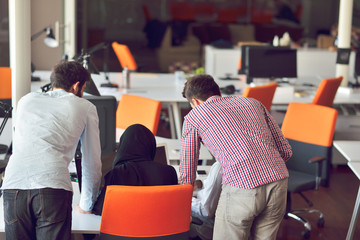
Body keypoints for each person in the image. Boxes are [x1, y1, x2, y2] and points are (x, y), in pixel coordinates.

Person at [179, 74, 292, 240]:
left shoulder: (194, 117)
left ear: (195, 102)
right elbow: (285, 150)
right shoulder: (252, 102)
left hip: (242, 185)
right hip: (278, 182)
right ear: (218, 92)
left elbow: (188, 171)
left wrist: (182, 207)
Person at [1, 60, 102, 240]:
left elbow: (22, 144)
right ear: (76, 86)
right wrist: (86, 205)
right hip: (52, 186)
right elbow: (92, 162)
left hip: (13, 186)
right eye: (84, 89)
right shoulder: (86, 107)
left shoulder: (26, 100)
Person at [92, 123, 178, 215]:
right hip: (161, 228)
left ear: (123, 146)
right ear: (151, 146)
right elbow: (174, 209)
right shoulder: (169, 172)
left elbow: (101, 209)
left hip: (124, 228)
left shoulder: (117, 174)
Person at [190, 161, 222, 240]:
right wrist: (200, 183)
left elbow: (205, 211)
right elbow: (213, 180)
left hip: (211, 228)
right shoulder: (220, 163)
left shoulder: (219, 165)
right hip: (214, 219)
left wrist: (184, 198)